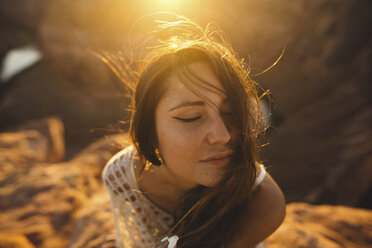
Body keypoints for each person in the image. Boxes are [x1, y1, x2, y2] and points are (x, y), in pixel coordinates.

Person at [102, 13, 285, 248]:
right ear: (150, 129)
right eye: (191, 117)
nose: (223, 135)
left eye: (230, 112)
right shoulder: (123, 178)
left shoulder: (264, 200)